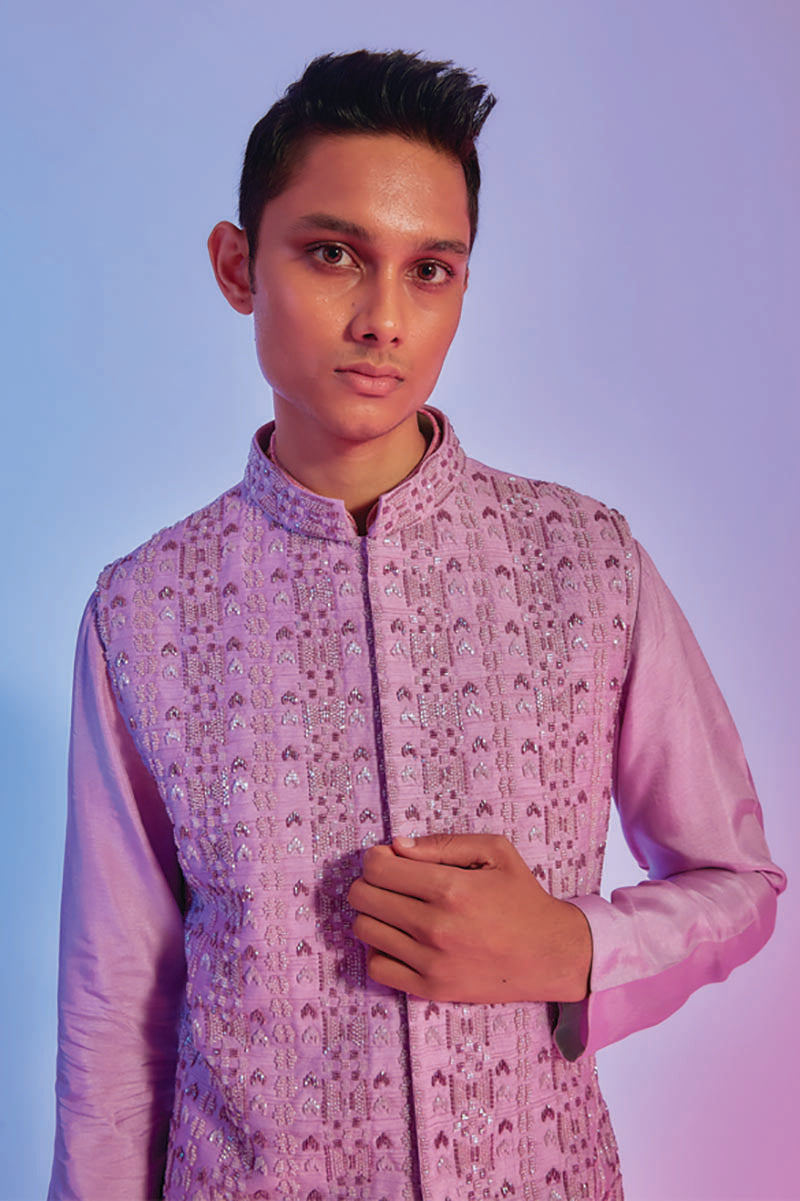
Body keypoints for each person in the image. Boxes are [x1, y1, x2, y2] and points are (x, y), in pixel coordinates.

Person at [48, 49, 785, 1201]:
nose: (383, 319)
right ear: (238, 265)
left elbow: (734, 882)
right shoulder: (143, 612)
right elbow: (115, 1004)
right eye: (331, 254)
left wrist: (572, 946)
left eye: (429, 270)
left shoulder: (584, 565)